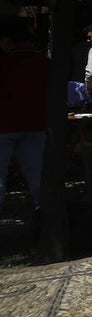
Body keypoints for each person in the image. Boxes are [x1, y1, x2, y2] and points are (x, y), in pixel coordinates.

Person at [0, 27, 50, 213]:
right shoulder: (46, 64)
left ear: (10, 43)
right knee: (36, 174)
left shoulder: (4, 63)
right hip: (35, 123)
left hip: (4, 124)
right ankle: (42, 214)